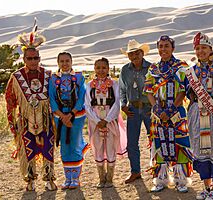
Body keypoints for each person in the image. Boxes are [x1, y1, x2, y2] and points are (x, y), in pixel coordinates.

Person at [5, 24, 57, 191]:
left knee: (47, 149)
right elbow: (10, 100)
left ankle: (49, 178)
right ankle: (30, 180)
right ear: (24, 59)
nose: (33, 61)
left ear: (40, 58)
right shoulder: (16, 77)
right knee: (28, 151)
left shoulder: (48, 75)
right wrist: (12, 122)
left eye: (36, 58)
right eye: (30, 58)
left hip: (46, 120)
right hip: (26, 121)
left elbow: (57, 98)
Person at [144, 35, 194, 193]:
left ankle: (181, 180)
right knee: (159, 144)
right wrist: (157, 110)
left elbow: (183, 91)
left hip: (176, 113)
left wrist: (170, 110)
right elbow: (149, 91)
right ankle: (160, 180)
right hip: (158, 114)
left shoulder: (181, 66)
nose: (163, 49)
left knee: (179, 143)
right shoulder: (153, 69)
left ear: (173, 48)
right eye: (160, 46)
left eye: (166, 46)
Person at [185, 32, 213, 200]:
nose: (200, 51)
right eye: (197, 48)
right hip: (197, 113)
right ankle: (206, 187)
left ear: (211, 49)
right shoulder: (189, 72)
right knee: (200, 148)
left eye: (204, 47)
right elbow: (185, 94)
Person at [49, 52, 90, 189]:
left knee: (74, 143)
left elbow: (82, 96)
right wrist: (62, 115)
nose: (65, 63)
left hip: (76, 114)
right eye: (62, 61)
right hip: (59, 115)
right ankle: (68, 178)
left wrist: (71, 114)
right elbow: (52, 98)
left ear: (72, 62)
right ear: (58, 62)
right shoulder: (53, 79)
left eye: (67, 61)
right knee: (64, 146)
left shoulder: (78, 77)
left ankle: (76, 178)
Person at [85, 57, 127, 188]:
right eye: (98, 67)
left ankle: (109, 179)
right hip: (95, 122)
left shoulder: (114, 84)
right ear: (94, 69)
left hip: (110, 121)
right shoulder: (89, 85)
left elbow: (117, 103)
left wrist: (107, 120)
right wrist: (97, 120)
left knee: (110, 147)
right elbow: (87, 104)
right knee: (97, 147)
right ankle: (101, 178)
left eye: (103, 67)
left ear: (108, 68)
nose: (101, 70)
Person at [119, 39, 152, 183]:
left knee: (154, 139)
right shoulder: (125, 70)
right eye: (131, 54)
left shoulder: (152, 68)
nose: (134, 56)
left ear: (142, 53)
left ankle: (158, 171)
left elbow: (157, 89)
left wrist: (155, 106)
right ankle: (135, 172)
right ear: (128, 56)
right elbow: (122, 89)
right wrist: (123, 105)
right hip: (132, 109)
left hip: (149, 108)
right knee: (131, 142)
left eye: (137, 53)